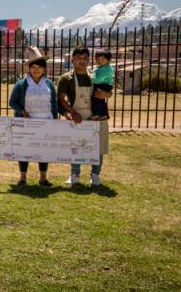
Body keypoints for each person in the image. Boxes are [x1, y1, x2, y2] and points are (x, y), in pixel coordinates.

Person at [58, 47, 112, 187]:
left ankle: (95, 175)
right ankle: (74, 175)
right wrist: (72, 112)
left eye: (85, 58)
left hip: (97, 116)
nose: (82, 61)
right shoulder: (66, 78)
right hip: (78, 117)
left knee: (98, 146)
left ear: (89, 60)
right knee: (76, 146)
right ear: (72, 60)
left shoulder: (94, 76)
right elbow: (61, 99)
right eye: (78, 58)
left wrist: (106, 95)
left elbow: (108, 91)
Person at [9, 46, 60, 187]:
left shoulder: (49, 84)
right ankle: (23, 177)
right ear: (29, 68)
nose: (36, 70)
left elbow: (53, 103)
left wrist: (55, 121)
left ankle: (43, 178)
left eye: (39, 67)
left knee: (44, 149)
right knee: (24, 149)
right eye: (33, 67)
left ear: (44, 69)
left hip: (46, 121)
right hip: (27, 123)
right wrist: (22, 111)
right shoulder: (21, 84)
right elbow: (12, 102)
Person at [90, 49, 114, 121]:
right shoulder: (102, 67)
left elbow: (97, 79)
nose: (99, 60)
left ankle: (97, 114)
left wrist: (90, 76)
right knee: (101, 100)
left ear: (109, 60)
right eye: (97, 58)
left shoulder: (106, 69)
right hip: (103, 84)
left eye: (102, 59)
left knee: (96, 98)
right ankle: (104, 114)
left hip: (103, 85)